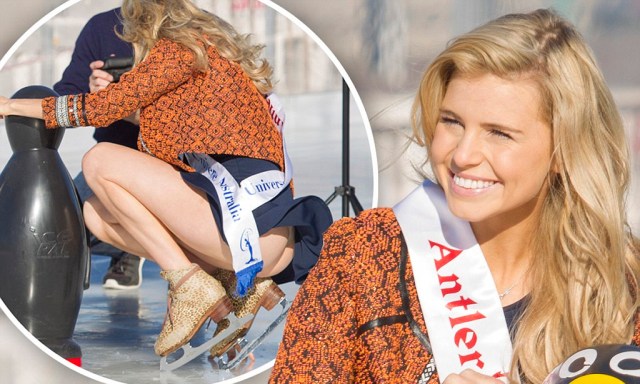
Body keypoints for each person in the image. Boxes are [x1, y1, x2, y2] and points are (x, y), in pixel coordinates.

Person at [270, 8, 640, 384]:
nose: (462, 155)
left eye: (499, 133)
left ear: (563, 150)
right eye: (452, 121)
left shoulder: (621, 283)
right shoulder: (362, 255)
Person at [0, 0, 332, 360]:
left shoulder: (176, 49)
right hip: (269, 234)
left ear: (145, 28)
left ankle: (190, 285)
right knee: (96, 213)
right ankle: (232, 285)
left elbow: (99, 111)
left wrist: (11, 106)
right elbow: (177, 132)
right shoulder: (218, 61)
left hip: (242, 232)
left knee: (99, 160)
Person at [54, 7, 145, 290]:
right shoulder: (102, 26)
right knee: (59, 229)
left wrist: (127, 102)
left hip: (179, 159)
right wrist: (93, 96)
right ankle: (126, 247)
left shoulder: (190, 27)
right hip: (115, 155)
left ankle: (140, 245)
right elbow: (66, 92)